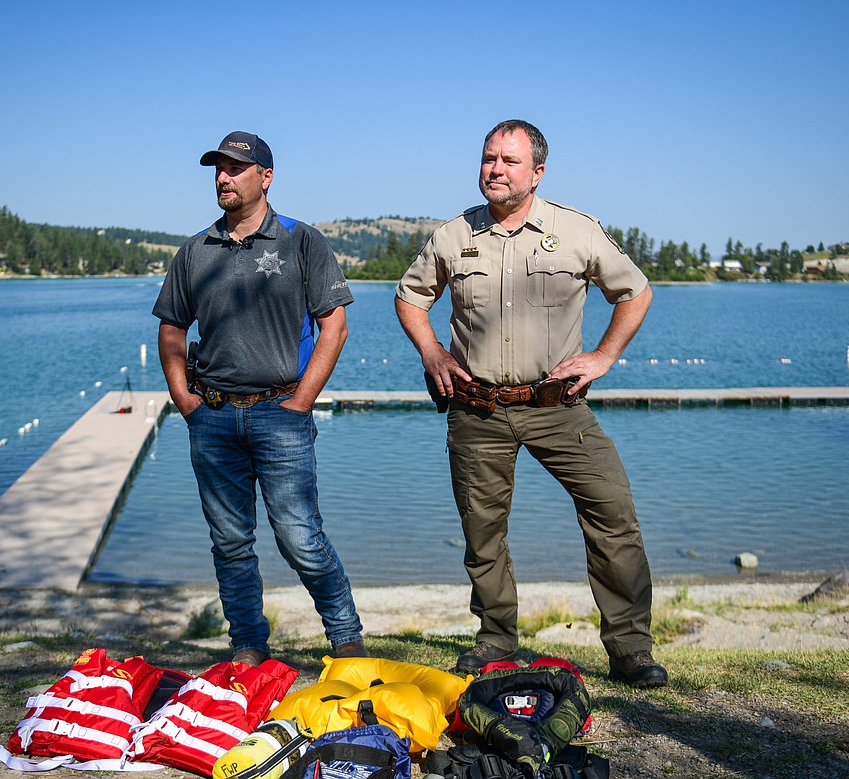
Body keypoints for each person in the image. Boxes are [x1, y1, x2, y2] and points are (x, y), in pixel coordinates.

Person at [395, 119, 666, 688]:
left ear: (537, 172)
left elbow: (635, 292)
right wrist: (433, 355)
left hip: (558, 405)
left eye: (509, 161)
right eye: (489, 157)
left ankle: (631, 650)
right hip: (477, 409)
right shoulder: (453, 236)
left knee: (613, 513)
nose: (495, 168)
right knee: (482, 531)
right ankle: (495, 641)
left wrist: (602, 356)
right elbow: (410, 296)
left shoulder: (577, 231)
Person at [153, 130, 367, 665]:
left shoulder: (301, 241)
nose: (223, 178)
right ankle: (248, 646)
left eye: (235, 169)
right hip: (215, 417)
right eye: (218, 169)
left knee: (300, 538)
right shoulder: (195, 251)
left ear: (265, 177)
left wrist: (301, 403)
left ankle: (346, 639)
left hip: (281, 415)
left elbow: (334, 326)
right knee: (230, 543)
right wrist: (185, 399)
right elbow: (172, 329)